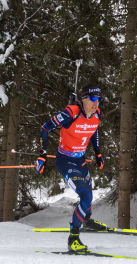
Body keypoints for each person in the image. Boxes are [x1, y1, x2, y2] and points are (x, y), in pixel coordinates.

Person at [36, 83, 107, 252]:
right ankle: (73, 239)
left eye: (99, 99)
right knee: (86, 195)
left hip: (80, 160)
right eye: (92, 99)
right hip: (65, 161)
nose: (96, 103)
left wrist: (97, 152)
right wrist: (42, 154)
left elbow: (93, 129)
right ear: (83, 99)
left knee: (88, 191)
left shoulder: (97, 114)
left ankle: (87, 221)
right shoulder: (70, 113)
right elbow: (44, 128)